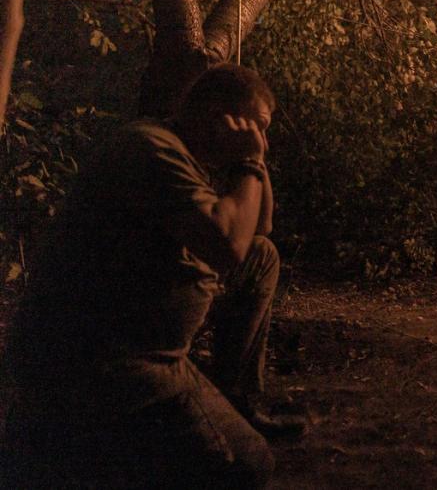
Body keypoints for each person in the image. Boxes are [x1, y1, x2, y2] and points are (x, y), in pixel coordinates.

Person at [1, 64, 301, 488]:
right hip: (106, 361)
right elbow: (227, 245)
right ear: (218, 115)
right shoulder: (151, 149)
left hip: (149, 349)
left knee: (263, 255)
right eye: (255, 127)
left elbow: (261, 227)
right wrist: (249, 162)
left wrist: (254, 160)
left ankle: (235, 393)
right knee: (245, 466)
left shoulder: (190, 154)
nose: (261, 141)